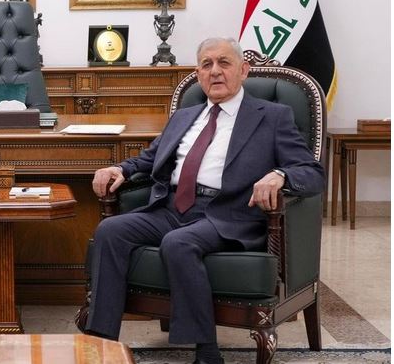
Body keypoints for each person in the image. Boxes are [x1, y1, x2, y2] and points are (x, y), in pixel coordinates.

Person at [85, 37, 324, 364]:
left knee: (178, 243)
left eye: (224, 63)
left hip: (228, 213)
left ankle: (207, 353)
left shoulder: (272, 116)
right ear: (198, 74)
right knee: (111, 231)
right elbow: (150, 158)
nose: (215, 71)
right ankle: (101, 343)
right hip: (172, 207)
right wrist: (120, 169)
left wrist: (280, 175)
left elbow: (312, 172)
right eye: (206, 65)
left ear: (243, 70)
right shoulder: (185, 116)